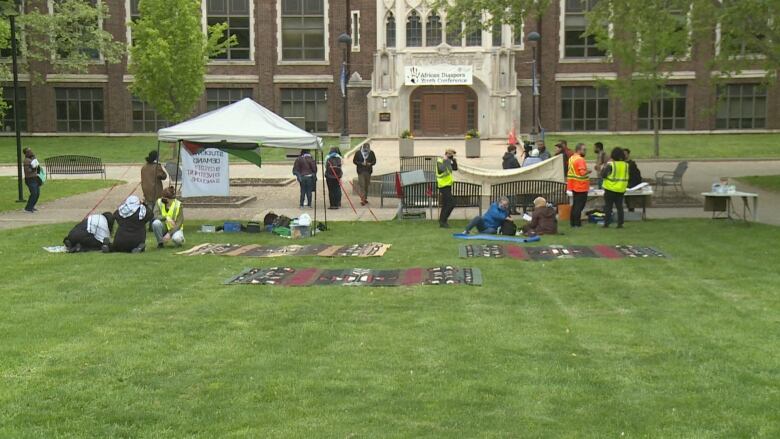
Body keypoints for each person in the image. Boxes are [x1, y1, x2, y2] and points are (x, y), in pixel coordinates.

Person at [600, 147, 629, 228]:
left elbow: (603, 175)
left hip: (610, 188)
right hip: (621, 189)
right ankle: (620, 224)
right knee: (620, 207)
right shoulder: (626, 165)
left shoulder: (611, 165)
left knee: (608, 206)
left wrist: (605, 165)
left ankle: (607, 223)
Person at [567, 143, 591, 228]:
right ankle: (577, 223)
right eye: (584, 150)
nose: (585, 151)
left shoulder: (572, 158)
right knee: (579, 206)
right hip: (581, 186)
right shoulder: (580, 160)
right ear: (579, 150)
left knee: (575, 205)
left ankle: (573, 222)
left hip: (573, 185)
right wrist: (588, 171)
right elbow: (582, 173)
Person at [436, 148, 458, 228]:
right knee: (451, 203)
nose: (451, 156)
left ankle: (442, 221)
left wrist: (453, 160)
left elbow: (455, 168)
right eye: (450, 155)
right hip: (442, 185)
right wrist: (446, 161)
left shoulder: (449, 161)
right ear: (446, 154)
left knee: (446, 204)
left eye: (452, 155)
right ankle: (443, 220)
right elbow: (441, 170)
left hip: (448, 185)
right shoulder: (440, 160)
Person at [22, 147, 41, 213]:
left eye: (31, 150)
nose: (31, 152)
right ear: (26, 153)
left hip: (35, 178)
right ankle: (28, 208)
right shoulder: (26, 160)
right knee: (34, 193)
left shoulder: (32, 158)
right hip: (30, 179)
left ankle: (31, 206)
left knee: (37, 193)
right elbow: (27, 170)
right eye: (29, 151)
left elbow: (37, 166)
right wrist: (34, 168)